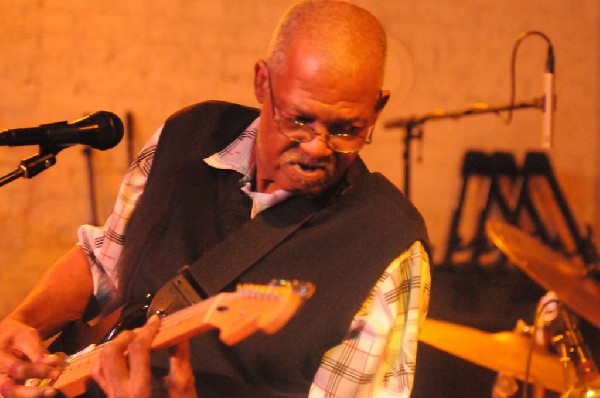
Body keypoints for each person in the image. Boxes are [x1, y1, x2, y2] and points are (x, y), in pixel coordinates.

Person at [0, 0, 431, 397]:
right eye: (299, 119)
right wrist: (23, 322)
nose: (318, 147)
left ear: (377, 109)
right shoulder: (186, 136)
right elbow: (103, 263)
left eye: (345, 129)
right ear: (262, 82)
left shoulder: (387, 246)